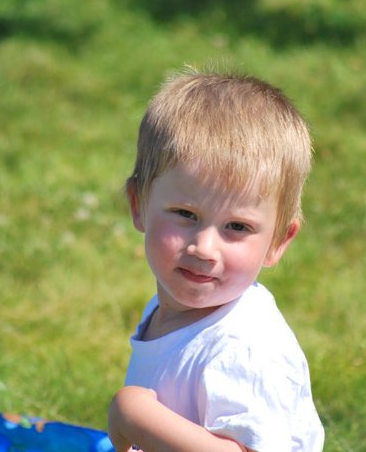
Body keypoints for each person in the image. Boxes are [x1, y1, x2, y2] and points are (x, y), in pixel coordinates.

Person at [108, 69, 325, 452]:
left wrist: (136, 416)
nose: (204, 248)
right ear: (138, 205)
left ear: (277, 241)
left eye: (237, 227)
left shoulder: (244, 349)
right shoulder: (170, 308)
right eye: (185, 214)